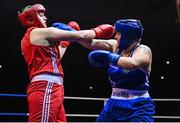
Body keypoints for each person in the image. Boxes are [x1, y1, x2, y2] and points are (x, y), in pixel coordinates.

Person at [18, 3, 117, 122]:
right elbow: (82, 35)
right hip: (45, 86)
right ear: (30, 17)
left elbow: (56, 57)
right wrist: (99, 30)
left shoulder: (37, 37)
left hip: (54, 86)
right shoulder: (37, 32)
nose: (46, 18)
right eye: (41, 14)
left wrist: (65, 42)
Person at [88, 19, 155, 122]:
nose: (115, 37)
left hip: (138, 106)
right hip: (114, 103)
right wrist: (73, 33)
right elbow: (90, 43)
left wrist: (110, 57)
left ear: (127, 36)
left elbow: (133, 63)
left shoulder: (143, 50)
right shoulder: (115, 46)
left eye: (118, 34)